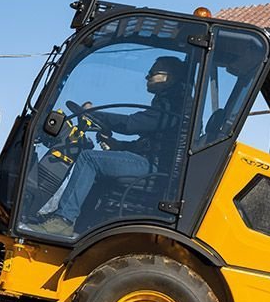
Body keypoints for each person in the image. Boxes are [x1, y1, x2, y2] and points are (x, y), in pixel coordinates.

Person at [40, 55, 187, 228]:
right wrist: (118, 145)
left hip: (156, 170)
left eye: (153, 72)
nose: (147, 77)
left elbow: (130, 124)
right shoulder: (170, 102)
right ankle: (80, 224)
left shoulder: (174, 104)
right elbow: (150, 143)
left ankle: (62, 220)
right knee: (99, 166)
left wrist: (94, 113)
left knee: (90, 159)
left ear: (170, 78)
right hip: (154, 165)